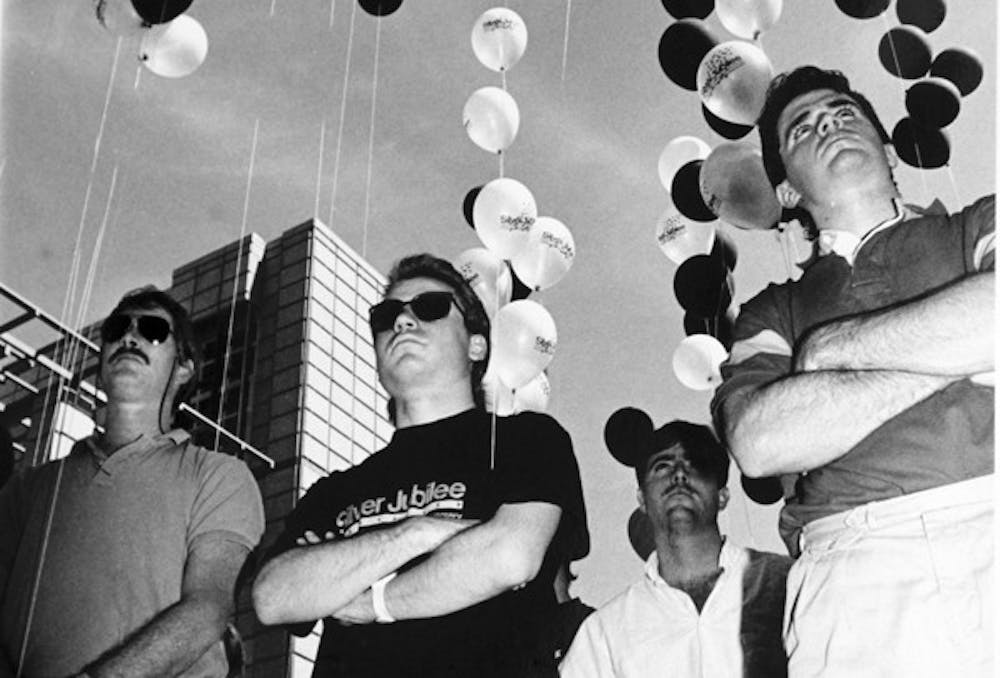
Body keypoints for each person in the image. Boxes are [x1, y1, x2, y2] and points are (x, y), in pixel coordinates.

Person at [712, 66, 994, 677]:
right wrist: (966, 353)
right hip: (857, 574)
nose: (829, 126)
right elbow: (761, 442)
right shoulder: (771, 311)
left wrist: (836, 349)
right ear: (785, 190)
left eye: (844, 113)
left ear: (889, 150)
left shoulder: (979, 222)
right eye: (801, 130)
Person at [252, 253, 589, 677]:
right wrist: (421, 532)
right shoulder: (336, 490)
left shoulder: (529, 440)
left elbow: (509, 556)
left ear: (476, 344)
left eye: (429, 307)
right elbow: (273, 596)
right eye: (387, 314)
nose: (403, 322)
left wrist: (373, 600)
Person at [0, 287, 265, 677]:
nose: (130, 336)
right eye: (118, 327)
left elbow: (208, 607)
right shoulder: (29, 489)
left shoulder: (218, 474)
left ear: (184, 367)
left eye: (154, 330)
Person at [560, 420, 791, 678]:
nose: (679, 474)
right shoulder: (605, 634)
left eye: (697, 465)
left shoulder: (787, 583)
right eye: (662, 466)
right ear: (642, 500)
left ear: (722, 496)